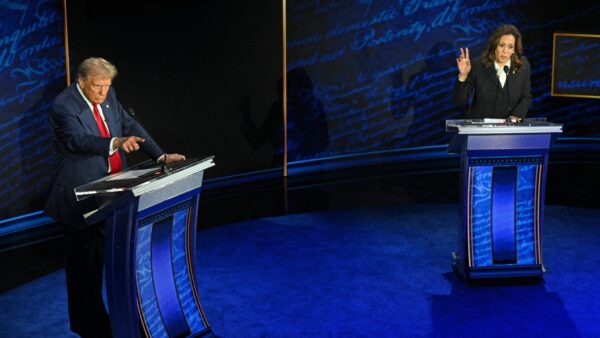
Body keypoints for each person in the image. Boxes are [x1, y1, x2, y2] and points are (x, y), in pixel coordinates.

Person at [44, 57, 185, 337]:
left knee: (120, 259)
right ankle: (91, 328)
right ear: (81, 81)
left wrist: (158, 155)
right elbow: (78, 141)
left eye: (108, 86)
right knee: (85, 273)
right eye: (98, 86)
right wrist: (115, 143)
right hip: (79, 199)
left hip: (112, 194)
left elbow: (128, 123)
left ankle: (124, 322)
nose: (104, 93)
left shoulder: (109, 95)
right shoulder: (63, 106)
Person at [454, 24, 532, 121]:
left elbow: (526, 97)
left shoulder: (523, 67)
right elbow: (460, 100)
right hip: (480, 129)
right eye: (501, 45)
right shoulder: (477, 65)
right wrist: (463, 75)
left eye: (510, 47)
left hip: (509, 130)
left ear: (514, 49)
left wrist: (516, 117)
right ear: (494, 45)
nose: (505, 51)